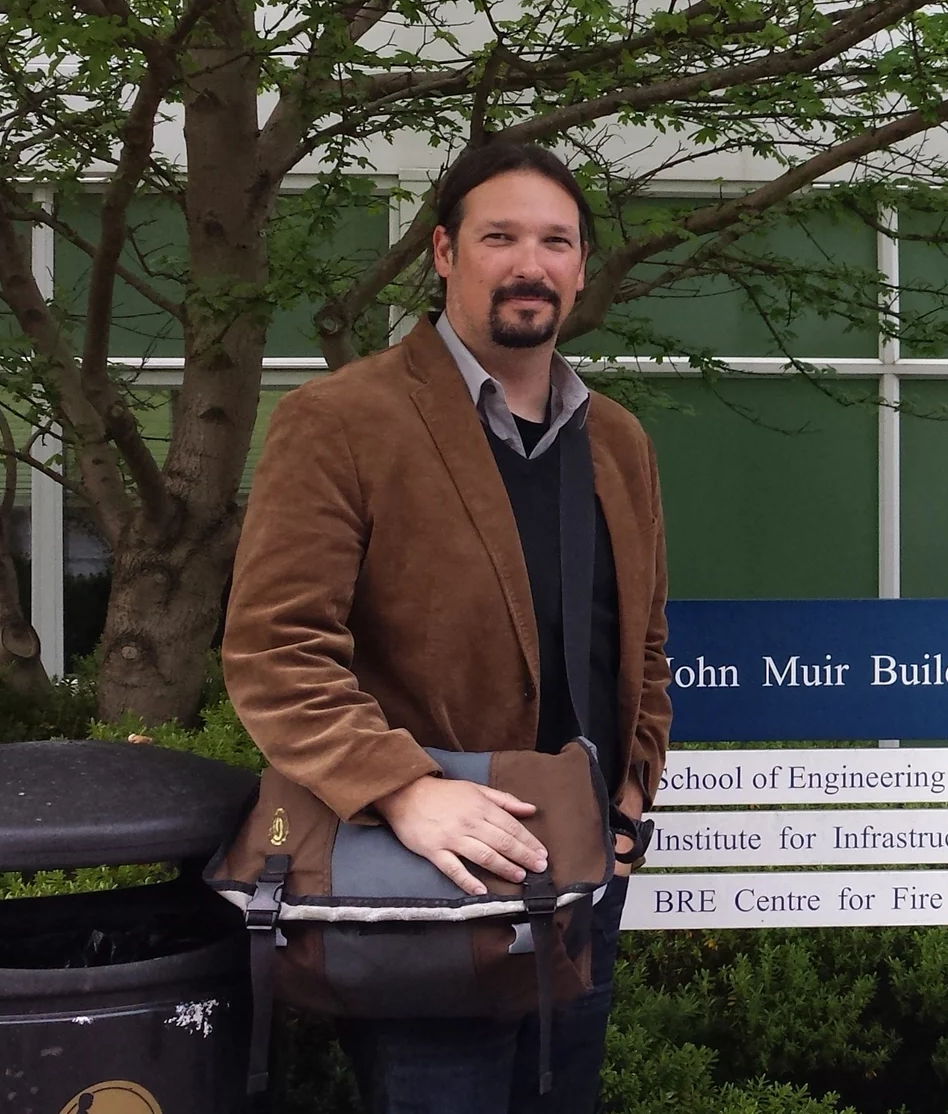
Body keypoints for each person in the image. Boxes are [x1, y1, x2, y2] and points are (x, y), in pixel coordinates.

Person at [223, 140, 673, 1113]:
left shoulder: (618, 441)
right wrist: (403, 790)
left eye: (556, 240)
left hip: (584, 878)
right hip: (428, 875)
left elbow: (640, 646)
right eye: (499, 235)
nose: (530, 262)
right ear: (442, 250)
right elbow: (275, 647)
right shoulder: (340, 418)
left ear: (581, 267)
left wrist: (632, 795)